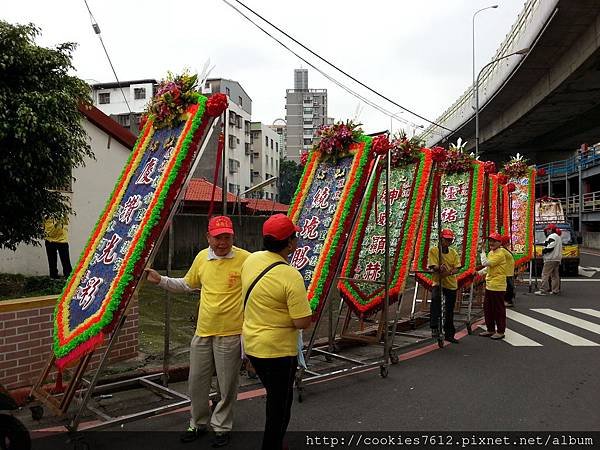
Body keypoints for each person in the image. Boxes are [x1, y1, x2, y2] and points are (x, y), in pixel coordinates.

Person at [145, 216, 250, 447]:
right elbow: (186, 284)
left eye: (227, 237)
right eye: (218, 237)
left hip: (231, 333)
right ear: (208, 237)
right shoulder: (202, 257)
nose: (223, 242)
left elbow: (257, 292)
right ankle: (198, 422)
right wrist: (160, 280)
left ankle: (222, 426)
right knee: (197, 382)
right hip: (203, 332)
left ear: (233, 236)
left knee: (227, 384)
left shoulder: (247, 259)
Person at [241, 214, 312, 450]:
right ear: (290, 243)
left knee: (274, 397)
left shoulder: (251, 261)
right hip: (279, 351)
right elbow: (302, 321)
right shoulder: (290, 275)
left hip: (253, 346)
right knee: (279, 406)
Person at [427, 228, 461, 344]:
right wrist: (439, 268)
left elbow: (457, 268)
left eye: (450, 240)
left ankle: (449, 334)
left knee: (449, 309)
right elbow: (433, 266)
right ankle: (434, 326)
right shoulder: (434, 251)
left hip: (451, 283)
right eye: (446, 240)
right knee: (435, 301)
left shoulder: (453, 253)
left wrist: (449, 272)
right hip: (438, 281)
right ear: (441, 239)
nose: (448, 242)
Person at [478, 233, 508, 340]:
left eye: (494, 241)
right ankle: (490, 329)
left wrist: (481, 251)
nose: (491, 243)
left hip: (498, 286)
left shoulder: (500, 254)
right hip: (490, 285)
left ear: (500, 243)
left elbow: (486, 263)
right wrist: (478, 273)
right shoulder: (491, 252)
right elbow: (488, 268)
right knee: (488, 308)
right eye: (490, 240)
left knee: (498, 309)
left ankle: (500, 331)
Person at [535, 224, 563, 296]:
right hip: (557, 258)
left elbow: (550, 247)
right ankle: (555, 290)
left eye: (548, 229)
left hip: (550, 258)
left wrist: (543, 251)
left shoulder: (552, 236)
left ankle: (543, 290)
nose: (546, 231)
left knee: (545, 274)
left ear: (551, 230)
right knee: (555, 275)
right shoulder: (558, 237)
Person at [501, 235, 516, 307]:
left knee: (510, 287)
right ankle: (506, 300)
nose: (509, 243)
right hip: (506, 272)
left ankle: (508, 300)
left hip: (509, 272)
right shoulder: (502, 250)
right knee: (509, 287)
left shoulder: (506, 249)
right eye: (508, 242)